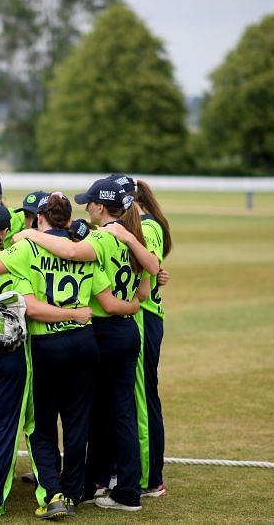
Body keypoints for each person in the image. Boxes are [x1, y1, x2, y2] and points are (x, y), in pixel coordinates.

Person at [0, 192, 140, 519]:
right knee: (78, 422)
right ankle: (72, 493)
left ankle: (51, 491)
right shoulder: (84, 249)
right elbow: (106, 299)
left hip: (45, 347)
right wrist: (133, 301)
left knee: (41, 423)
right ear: (67, 219)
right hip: (83, 342)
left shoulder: (28, 246)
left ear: (39, 218)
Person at [11, 179, 154, 513]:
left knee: (77, 417)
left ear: (101, 207)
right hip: (117, 331)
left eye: (91, 203)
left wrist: (32, 234)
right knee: (98, 415)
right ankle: (91, 485)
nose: (88, 207)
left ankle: (110, 489)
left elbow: (74, 254)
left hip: (94, 330)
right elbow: (150, 277)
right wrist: (137, 301)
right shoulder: (130, 236)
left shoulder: (100, 238)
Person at [105, 175, 173, 498]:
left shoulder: (147, 228)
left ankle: (147, 478)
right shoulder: (143, 225)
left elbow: (150, 271)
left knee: (141, 399)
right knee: (139, 397)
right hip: (141, 313)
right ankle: (139, 469)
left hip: (143, 315)